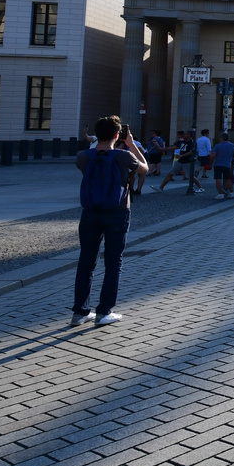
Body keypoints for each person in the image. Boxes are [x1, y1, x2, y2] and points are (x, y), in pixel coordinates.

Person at [70, 117, 145, 327]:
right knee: (113, 263)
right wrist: (131, 144)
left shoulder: (83, 156)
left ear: (96, 133)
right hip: (117, 212)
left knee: (86, 262)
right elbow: (144, 169)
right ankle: (104, 312)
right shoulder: (123, 156)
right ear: (117, 135)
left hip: (90, 212)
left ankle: (79, 312)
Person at [210, 133, 234, 199]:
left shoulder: (217, 146)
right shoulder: (232, 145)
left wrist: (210, 163)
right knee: (228, 179)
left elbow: (213, 156)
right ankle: (231, 193)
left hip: (218, 164)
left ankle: (220, 194)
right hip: (227, 165)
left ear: (221, 138)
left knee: (218, 179)